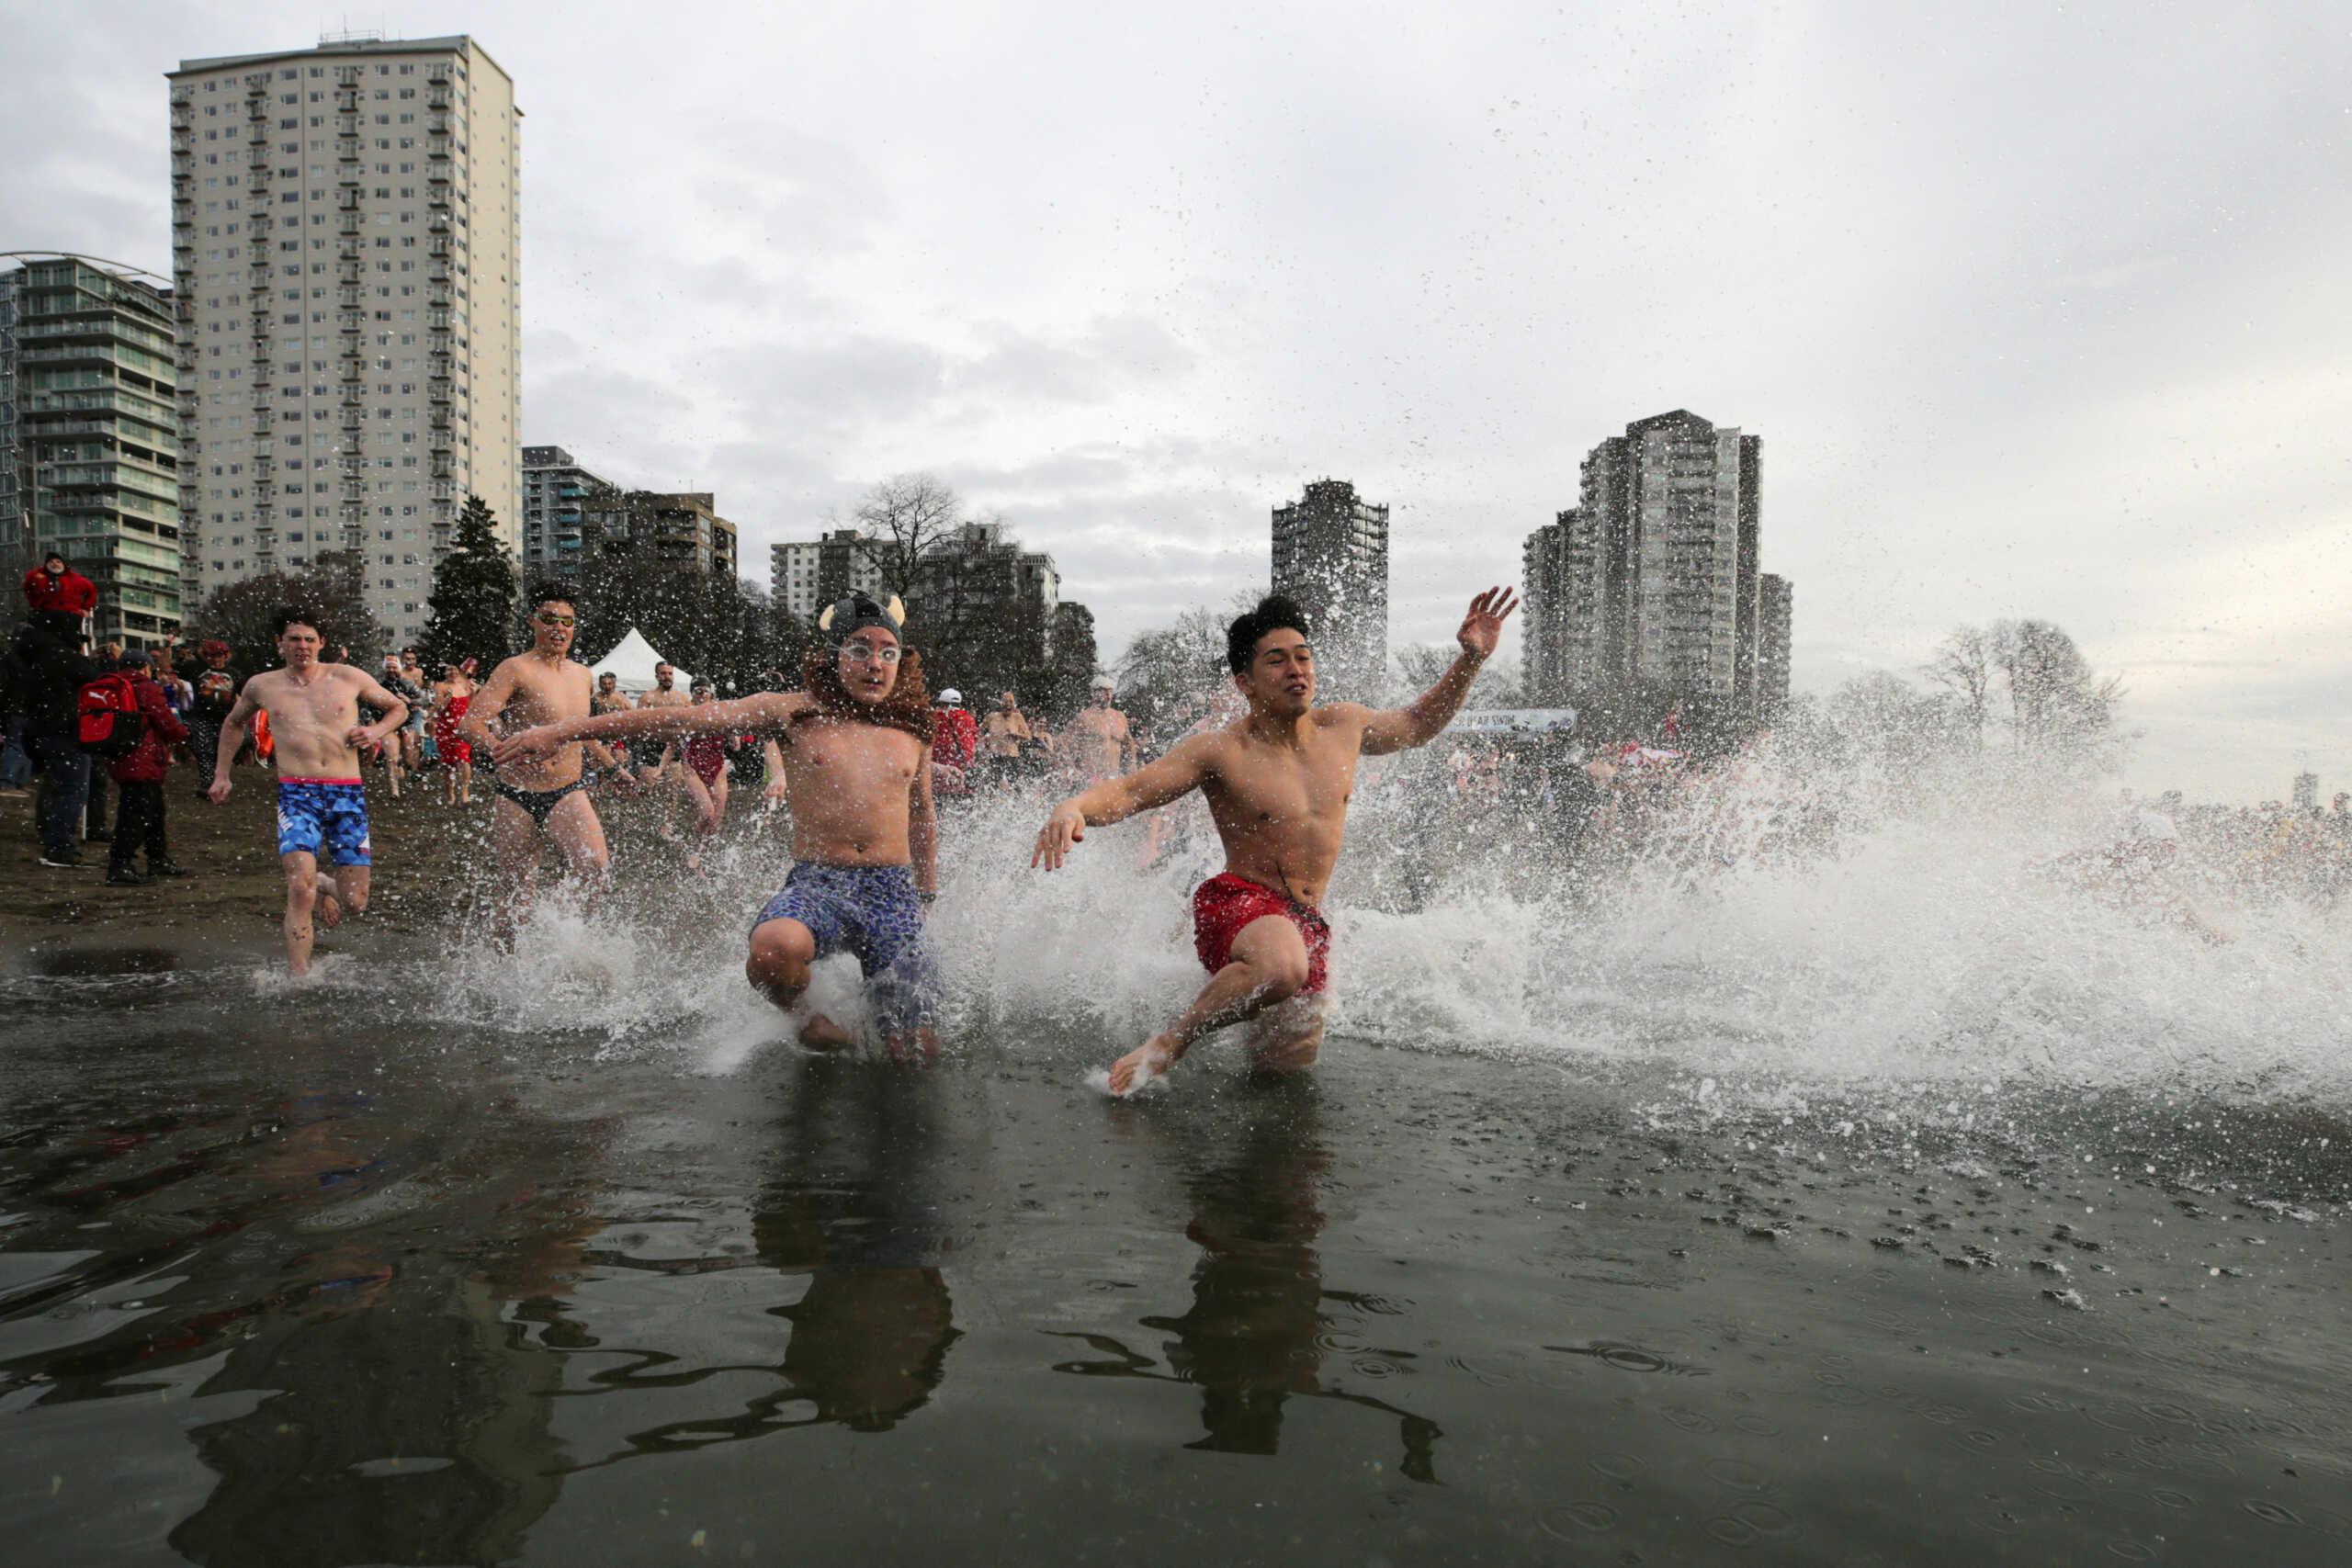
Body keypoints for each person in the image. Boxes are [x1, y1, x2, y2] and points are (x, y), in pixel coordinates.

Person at [1034, 588, 1519, 1094]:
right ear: (1244, 682)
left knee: (1280, 1077)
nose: (1297, 670)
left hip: (1307, 921)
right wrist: (1073, 808)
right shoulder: (1222, 750)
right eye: (1278, 660)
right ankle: (1168, 1044)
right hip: (1239, 902)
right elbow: (1132, 790)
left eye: (1304, 657)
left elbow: (1418, 724)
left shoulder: (1345, 726)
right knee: (1281, 967)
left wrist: (1470, 660)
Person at [494, 592, 941, 1056]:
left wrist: (927, 894)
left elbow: (923, 815)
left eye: (887, 652)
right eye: (860, 650)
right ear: (833, 657)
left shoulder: (912, 728)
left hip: (891, 891)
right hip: (820, 883)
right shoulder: (791, 710)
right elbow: (678, 719)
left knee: (915, 1053)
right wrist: (560, 732)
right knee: (772, 951)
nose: (875, 664)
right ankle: (808, 1017)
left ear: (901, 662)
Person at [207, 610, 411, 976]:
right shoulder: (261, 685)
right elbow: (233, 723)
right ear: (279, 644)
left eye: (309, 639)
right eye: (294, 639)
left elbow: (398, 708)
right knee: (299, 888)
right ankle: (299, 977)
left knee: (355, 902)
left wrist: (375, 730)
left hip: (346, 793)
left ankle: (325, 883)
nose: (302, 646)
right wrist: (223, 774)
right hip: (296, 793)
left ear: (322, 643)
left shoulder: (348, 677)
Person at [458, 587, 620, 942]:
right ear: (532, 621)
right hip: (517, 793)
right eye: (549, 619)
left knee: (594, 868)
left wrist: (611, 767)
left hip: (567, 789)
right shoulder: (514, 668)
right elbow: (470, 725)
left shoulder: (582, 674)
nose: (558, 627)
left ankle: (565, 944)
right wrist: (503, 750)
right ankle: (504, 970)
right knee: (516, 893)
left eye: (567, 621)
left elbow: (581, 730)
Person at [16, 610, 102, 867]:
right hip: (63, 728)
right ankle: (60, 847)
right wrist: (97, 662)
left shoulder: (32, 654)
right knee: (73, 789)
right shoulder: (61, 656)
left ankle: (52, 836)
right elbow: (94, 679)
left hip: (39, 727)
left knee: (56, 785)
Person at [104, 652, 191, 886]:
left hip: (118, 754)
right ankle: (120, 863)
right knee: (136, 813)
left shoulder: (110, 685)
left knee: (152, 809)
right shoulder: (146, 687)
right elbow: (164, 720)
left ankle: (157, 856)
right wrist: (183, 733)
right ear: (145, 668)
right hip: (143, 756)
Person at [176, 639, 241, 796]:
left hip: (226, 718)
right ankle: (207, 784)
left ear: (226, 656)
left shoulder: (234, 673)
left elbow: (242, 695)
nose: (216, 660)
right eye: (212, 656)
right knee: (204, 749)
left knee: (223, 752)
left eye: (220, 656)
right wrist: (169, 648)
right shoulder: (196, 668)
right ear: (204, 656)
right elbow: (168, 668)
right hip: (202, 716)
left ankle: (220, 782)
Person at [1063, 680, 1136, 785]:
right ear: (1094, 693)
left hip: (1114, 777)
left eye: (1110, 690)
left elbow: (1129, 743)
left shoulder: (1120, 716)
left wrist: (1132, 763)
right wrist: (1072, 769)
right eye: (1103, 690)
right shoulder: (1084, 717)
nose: (1108, 694)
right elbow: (1064, 743)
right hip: (1091, 778)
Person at [373, 654, 425, 798]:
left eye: (394, 667)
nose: (391, 670)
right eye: (388, 667)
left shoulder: (407, 684)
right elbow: (370, 704)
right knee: (391, 758)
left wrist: (409, 700)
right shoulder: (379, 687)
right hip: (388, 725)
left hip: (406, 723)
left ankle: (405, 763)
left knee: (409, 756)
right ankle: (394, 791)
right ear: (384, 669)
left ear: (399, 668)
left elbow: (424, 699)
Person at [430, 662, 476, 805]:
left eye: (454, 669)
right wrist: (447, 699)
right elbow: (437, 710)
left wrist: (473, 693)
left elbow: (471, 706)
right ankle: (450, 793)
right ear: (444, 672)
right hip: (446, 728)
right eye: (449, 669)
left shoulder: (465, 684)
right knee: (448, 764)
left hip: (462, 728)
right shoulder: (440, 686)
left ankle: (464, 793)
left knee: (464, 759)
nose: (452, 671)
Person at [930, 688, 978, 799]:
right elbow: (974, 741)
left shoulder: (936, 720)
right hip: (963, 771)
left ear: (944, 704)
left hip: (941, 773)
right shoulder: (969, 719)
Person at [21, 551, 96, 623]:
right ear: (46, 565)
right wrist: (35, 603)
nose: (55, 564)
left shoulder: (75, 579)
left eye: (58, 562)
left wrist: (85, 608)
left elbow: (92, 591)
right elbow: (27, 587)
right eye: (51, 562)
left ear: (63, 564)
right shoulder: (37, 576)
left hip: (70, 615)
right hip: (44, 613)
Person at [980, 691, 1031, 787]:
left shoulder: (1018, 717)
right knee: (992, 786)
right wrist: (982, 749)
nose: (1008, 704)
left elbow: (1029, 736)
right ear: (1000, 703)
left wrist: (1016, 734)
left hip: (1012, 756)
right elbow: (979, 733)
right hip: (995, 756)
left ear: (1014, 704)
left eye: (1011, 701)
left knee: (1015, 786)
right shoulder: (991, 717)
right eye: (1005, 701)